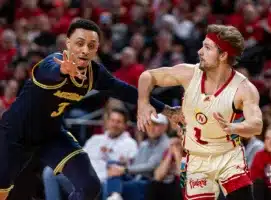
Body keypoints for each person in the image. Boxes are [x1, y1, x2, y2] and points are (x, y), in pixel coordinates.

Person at [0, 18, 175, 200]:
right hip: (15, 134)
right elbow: (50, 72)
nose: (85, 50)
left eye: (91, 45)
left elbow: (125, 91)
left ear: (97, 48)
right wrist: (63, 72)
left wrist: (166, 110)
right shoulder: (51, 63)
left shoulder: (94, 73)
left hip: (50, 135)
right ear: (68, 44)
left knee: (90, 186)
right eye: (80, 43)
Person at [137, 24, 263, 200]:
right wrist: (143, 102)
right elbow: (147, 76)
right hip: (196, 158)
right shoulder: (189, 73)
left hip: (227, 155)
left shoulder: (243, 88)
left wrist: (234, 127)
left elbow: (256, 125)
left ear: (223, 55)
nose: (199, 51)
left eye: (207, 48)